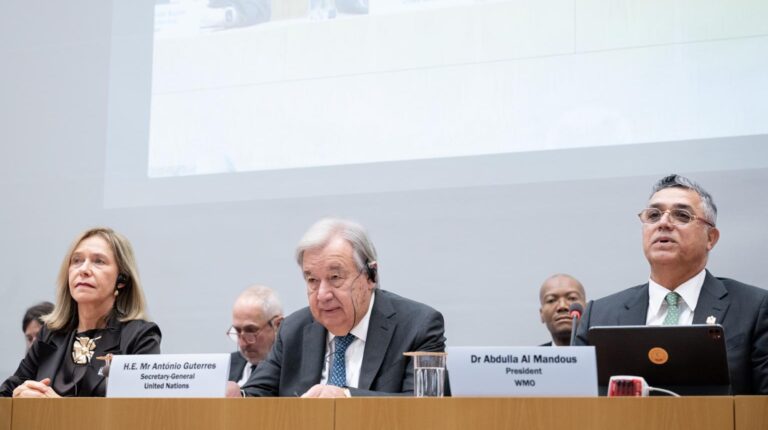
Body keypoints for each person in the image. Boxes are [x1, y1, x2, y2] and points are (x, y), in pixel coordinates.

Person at [575, 174, 768, 394]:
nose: (663, 223)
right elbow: (574, 405)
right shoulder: (599, 316)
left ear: (711, 238)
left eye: (681, 215)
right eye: (653, 215)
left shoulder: (754, 309)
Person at [242, 218, 447, 397]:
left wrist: (345, 398)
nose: (322, 294)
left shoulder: (418, 327)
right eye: (312, 280)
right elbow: (256, 395)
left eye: (335, 278)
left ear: (371, 275)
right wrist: (237, 395)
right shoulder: (293, 330)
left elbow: (427, 406)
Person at [0, 227, 161, 397]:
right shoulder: (49, 335)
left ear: (122, 280)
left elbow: (141, 416)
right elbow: (5, 396)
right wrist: (16, 398)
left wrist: (57, 411)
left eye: (98, 261)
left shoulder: (139, 336)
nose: (83, 270)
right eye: (76, 260)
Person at [224, 285, 283, 397]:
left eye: (250, 331)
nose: (242, 343)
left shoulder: (295, 373)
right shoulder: (226, 366)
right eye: (237, 331)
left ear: (278, 325)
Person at [538, 274, 586, 346]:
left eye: (572, 298)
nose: (562, 306)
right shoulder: (532, 356)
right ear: (541, 314)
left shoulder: (605, 354)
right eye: (551, 300)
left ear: (587, 308)